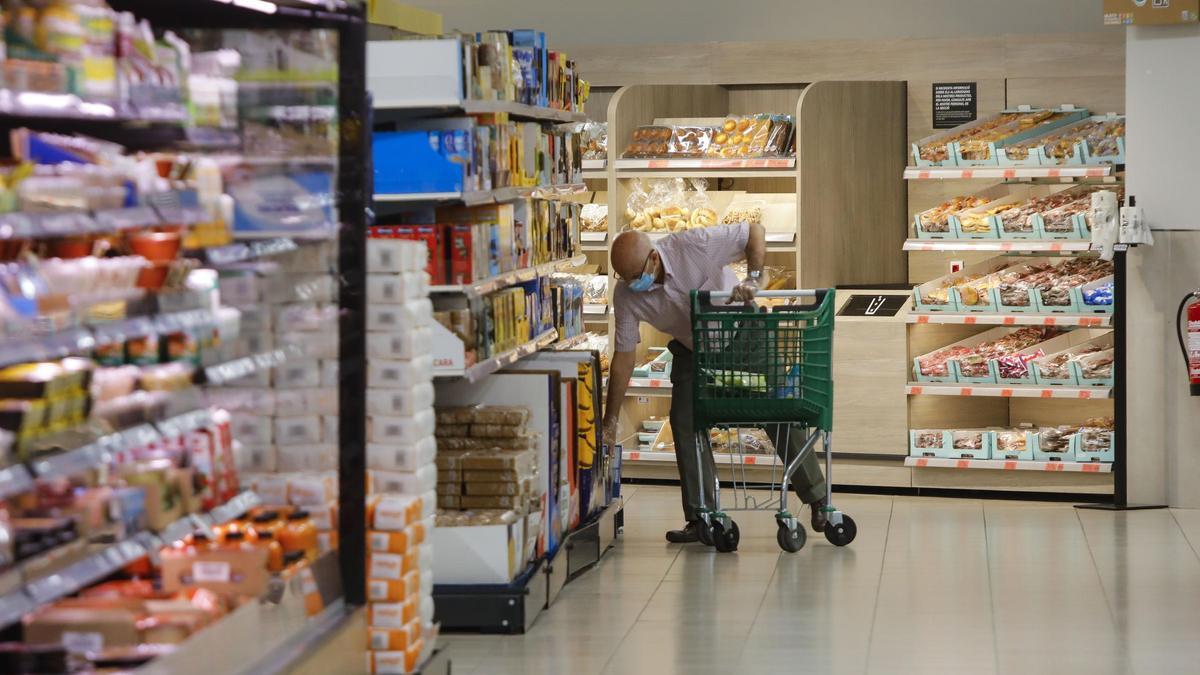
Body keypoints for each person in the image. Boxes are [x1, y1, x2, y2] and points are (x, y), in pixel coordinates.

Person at [601, 222, 829, 543]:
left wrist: (753, 276)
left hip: (743, 334)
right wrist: (610, 420)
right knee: (685, 423)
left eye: (635, 276)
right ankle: (701, 516)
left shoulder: (693, 244)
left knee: (778, 411)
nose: (630, 284)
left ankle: (818, 499)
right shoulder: (626, 295)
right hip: (694, 352)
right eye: (623, 278)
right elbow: (624, 356)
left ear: (653, 258)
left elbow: (754, 231)